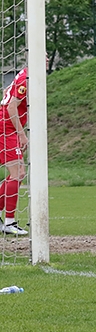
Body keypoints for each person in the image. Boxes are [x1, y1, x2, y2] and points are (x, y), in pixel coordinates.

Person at [0, 66, 30, 235]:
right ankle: (10, 222)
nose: (47, 59)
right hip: (7, 128)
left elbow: (6, 90)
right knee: (18, 173)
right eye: (44, 55)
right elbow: (12, 106)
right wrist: (21, 134)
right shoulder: (26, 79)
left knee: (17, 174)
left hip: (6, 126)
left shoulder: (23, 75)